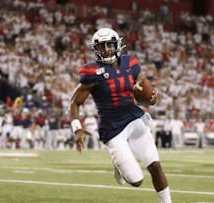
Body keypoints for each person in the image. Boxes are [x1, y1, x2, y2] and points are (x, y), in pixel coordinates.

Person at [69, 28, 171, 203]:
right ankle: (118, 164)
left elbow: (143, 85)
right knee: (136, 181)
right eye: (102, 46)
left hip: (134, 119)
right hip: (112, 128)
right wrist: (77, 128)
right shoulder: (91, 72)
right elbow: (74, 103)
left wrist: (149, 96)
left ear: (118, 45)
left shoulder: (130, 62)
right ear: (96, 49)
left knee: (155, 164)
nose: (107, 50)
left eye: (110, 45)